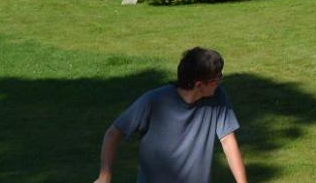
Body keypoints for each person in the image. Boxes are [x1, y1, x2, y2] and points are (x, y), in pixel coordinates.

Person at [94, 47, 248, 183]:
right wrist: (105, 175)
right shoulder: (153, 102)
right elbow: (113, 133)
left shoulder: (217, 97)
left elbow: (227, 140)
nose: (219, 82)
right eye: (217, 78)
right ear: (199, 85)